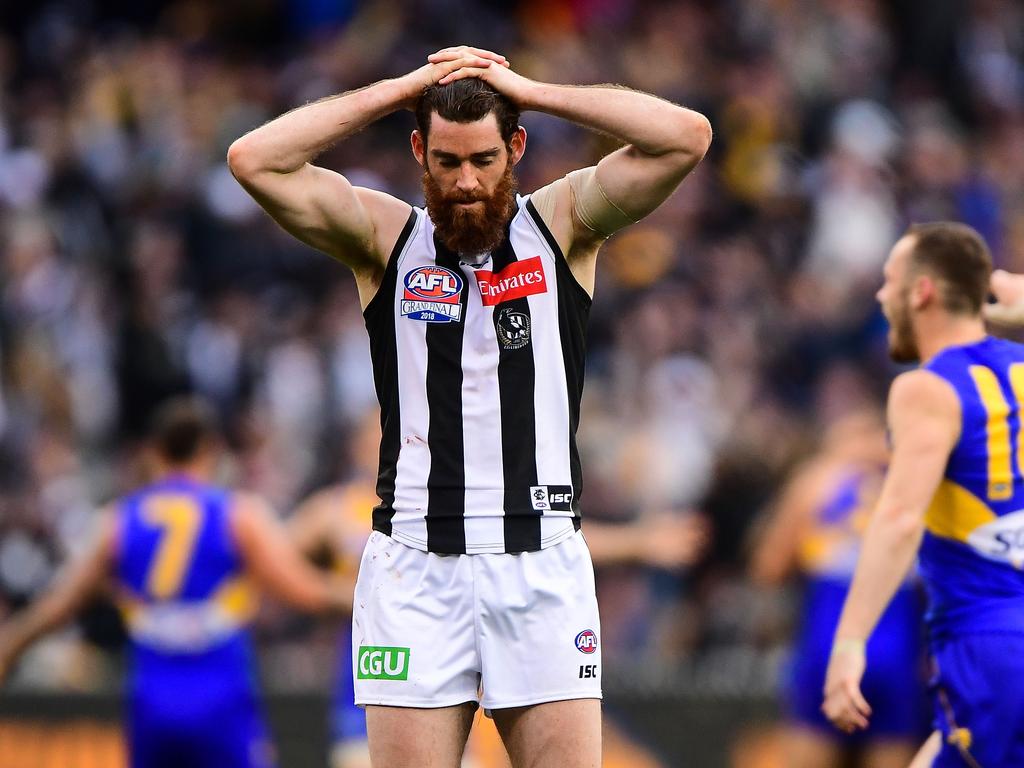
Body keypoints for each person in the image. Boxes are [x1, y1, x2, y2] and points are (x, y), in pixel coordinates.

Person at [227, 44, 711, 768]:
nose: (465, 183)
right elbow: (253, 159)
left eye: (484, 159)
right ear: (418, 151)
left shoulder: (563, 224)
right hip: (414, 567)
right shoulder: (385, 238)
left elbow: (686, 136)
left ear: (515, 147)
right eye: (447, 162)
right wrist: (397, 90)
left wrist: (533, 90)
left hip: (540, 561)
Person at [0, 397, 351, 768]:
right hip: (221, 696)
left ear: (153, 453)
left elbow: (60, 604)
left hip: (152, 698)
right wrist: (367, 598)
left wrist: (10, 644)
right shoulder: (239, 516)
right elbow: (308, 593)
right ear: (211, 450)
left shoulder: (116, 523)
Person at [822, 223, 1024, 767]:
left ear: (922, 292)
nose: (881, 297)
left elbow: (900, 519)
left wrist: (848, 644)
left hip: (991, 647)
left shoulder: (926, 388)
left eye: (890, 282)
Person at [752, 409, 926, 768]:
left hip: (827, 651)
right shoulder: (912, 485)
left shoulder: (817, 483)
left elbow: (768, 567)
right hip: (899, 655)